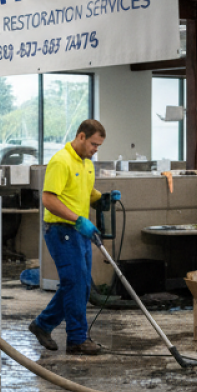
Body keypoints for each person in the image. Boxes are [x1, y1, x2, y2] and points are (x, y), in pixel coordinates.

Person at [29, 119, 117, 356]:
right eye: (94, 144)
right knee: (76, 284)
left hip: (79, 231)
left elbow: (85, 191)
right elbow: (48, 199)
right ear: (81, 137)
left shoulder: (86, 163)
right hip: (61, 231)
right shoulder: (61, 161)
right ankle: (77, 339)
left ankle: (43, 325)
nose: (96, 149)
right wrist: (77, 219)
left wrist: (102, 198)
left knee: (80, 285)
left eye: (98, 146)